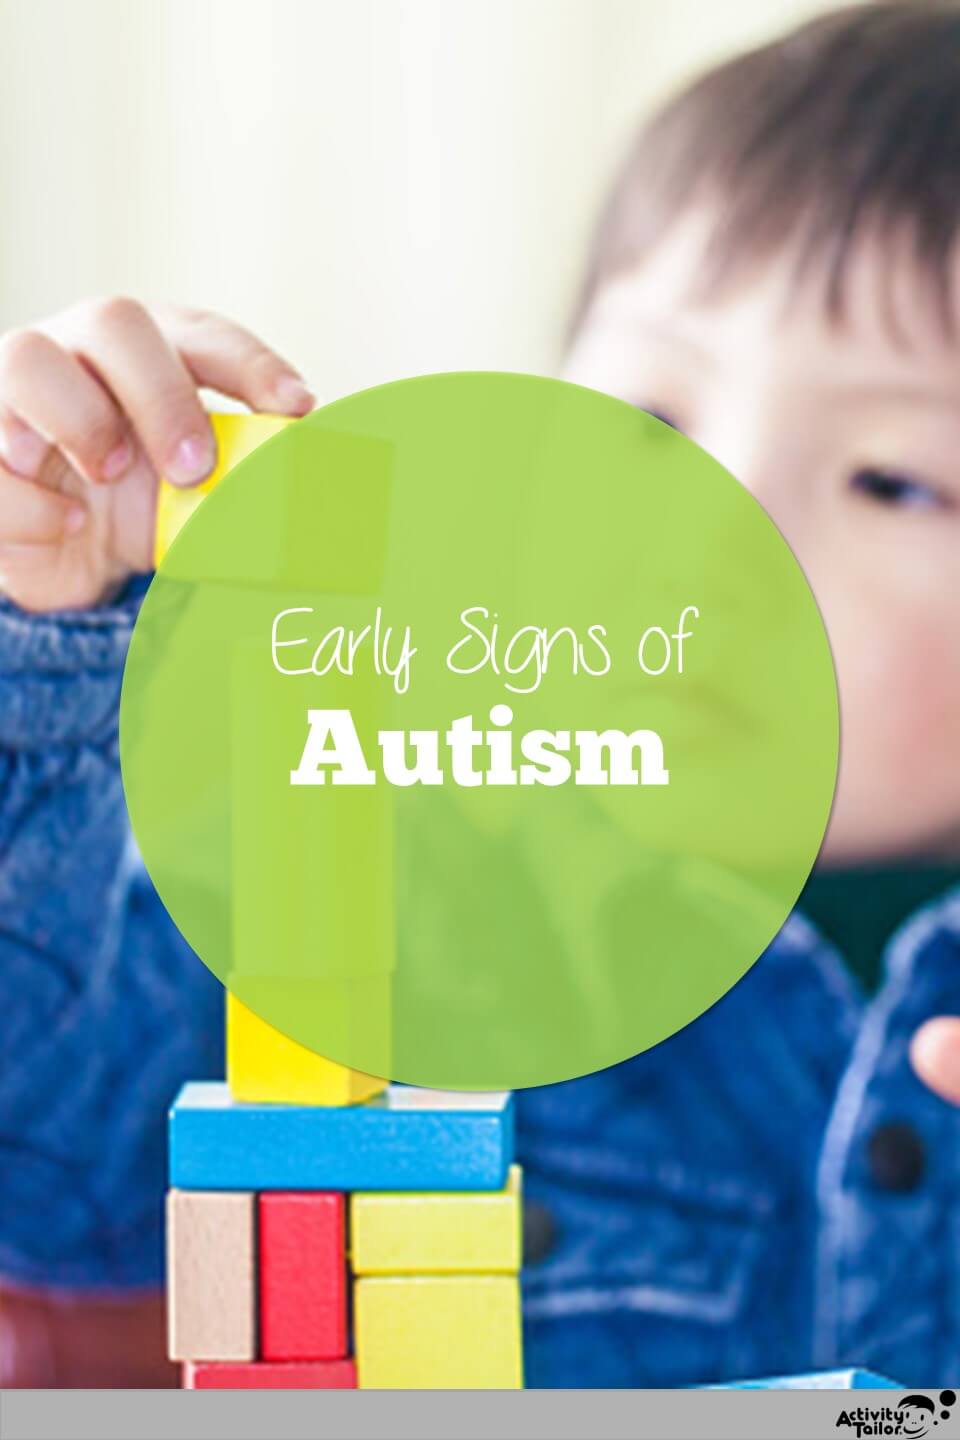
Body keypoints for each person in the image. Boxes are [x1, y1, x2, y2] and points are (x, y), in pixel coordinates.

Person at [1, 0, 959, 1388]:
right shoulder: (392, 901)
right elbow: (43, 1164)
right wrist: (46, 622)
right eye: (650, 422)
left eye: (897, 477)